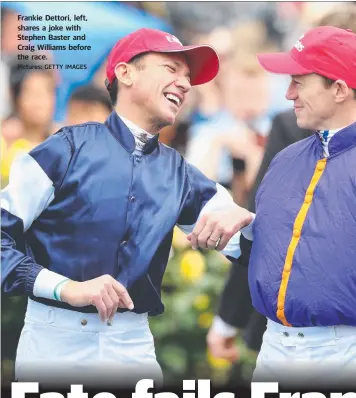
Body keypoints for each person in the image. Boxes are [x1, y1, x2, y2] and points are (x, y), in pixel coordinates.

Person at [207, 6, 356, 383]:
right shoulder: (286, 159)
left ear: (339, 89)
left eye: (299, 82)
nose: (288, 93)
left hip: (349, 355)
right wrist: (232, 236)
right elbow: (282, 252)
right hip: (274, 348)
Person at [1, 28, 253, 388]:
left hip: (132, 345)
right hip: (53, 341)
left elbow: (255, 245)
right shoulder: (63, 150)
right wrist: (65, 287)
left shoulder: (181, 174)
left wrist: (251, 224)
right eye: (171, 68)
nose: (184, 83)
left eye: (188, 76)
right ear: (125, 73)